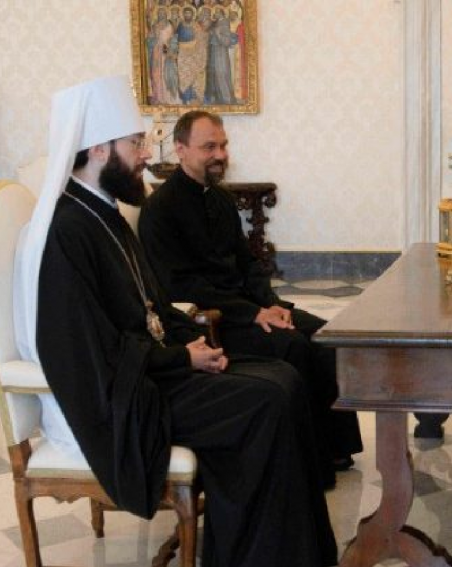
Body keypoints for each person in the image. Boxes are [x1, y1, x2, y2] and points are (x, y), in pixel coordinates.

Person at [12, 76, 337, 567]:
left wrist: (197, 342)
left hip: (153, 370)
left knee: (285, 377)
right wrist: (180, 358)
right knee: (265, 402)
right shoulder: (67, 232)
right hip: (123, 401)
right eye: (135, 143)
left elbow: (156, 306)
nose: (146, 154)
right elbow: (90, 354)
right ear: (98, 149)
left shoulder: (105, 214)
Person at [139, 110, 362, 487]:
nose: (220, 155)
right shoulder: (160, 210)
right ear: (180, 149)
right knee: (292, 345)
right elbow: (180, 287)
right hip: (215, 319)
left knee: (327, 336)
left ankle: (335, 448)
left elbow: (247, 262)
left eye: (223, 146)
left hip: (249, 306)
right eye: (209, 147)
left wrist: (270, 303)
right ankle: (308, 464)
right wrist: (253, 313)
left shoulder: (221, 199)